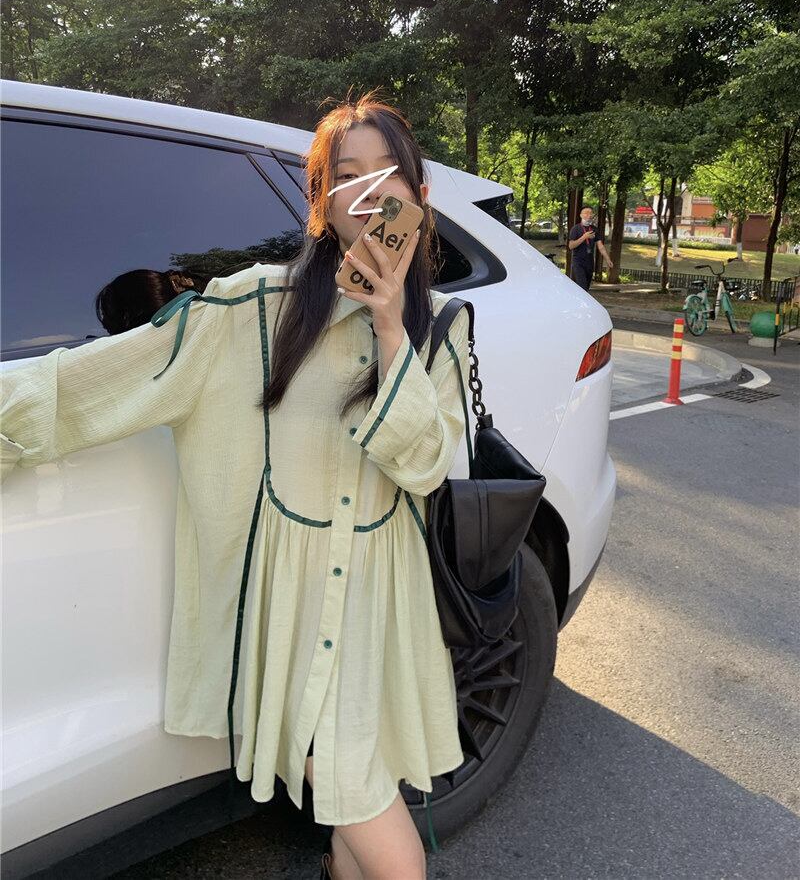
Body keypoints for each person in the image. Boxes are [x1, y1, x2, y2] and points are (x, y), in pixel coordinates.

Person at [1, 90, 471, 880]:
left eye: (385, 173)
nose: (366, 192)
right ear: (321, 203)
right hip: (290, 607)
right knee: (367, 814)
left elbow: (424, 463)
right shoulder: (250, 308)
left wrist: (391, 324)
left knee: (359, 806)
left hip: (378, 606)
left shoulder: (443, 328)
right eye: (344, 176)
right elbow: (96, 380)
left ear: (416, 195)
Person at [567, 205, 613, 291]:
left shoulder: (594, 229)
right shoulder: (575, 229)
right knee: (582, 286)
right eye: (586, 213)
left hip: (589, 262)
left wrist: (607, 259)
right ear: (581, 215)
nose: (589, 215)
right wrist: (584, 237)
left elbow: (600, 246)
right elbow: (571, 246)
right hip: (578, 261)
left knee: (586, 287)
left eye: (591, 213)